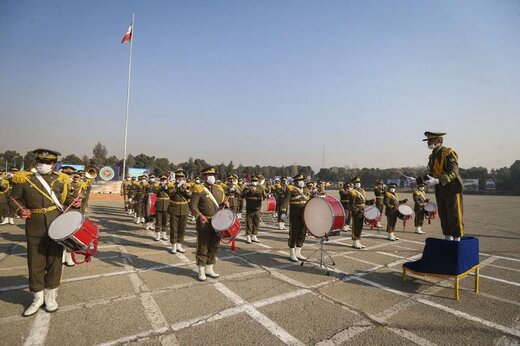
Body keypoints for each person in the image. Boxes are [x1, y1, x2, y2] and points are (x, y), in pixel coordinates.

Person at [10, 149, 78, 316]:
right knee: (35, 263)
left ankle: (50, 296)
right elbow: (13, 198)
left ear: (54, 164)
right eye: (41, 161)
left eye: (48, 163)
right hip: (35, 225)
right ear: (36, 161)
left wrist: (74, 202)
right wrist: (21, 211)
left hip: (57, 225)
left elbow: (66, 199)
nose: (44, 165)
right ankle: (37, 297)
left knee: (55, 261)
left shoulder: (61, 179)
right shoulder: (24, 179)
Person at [409, 132, 465, 241]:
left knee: (454, 215)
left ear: (439, 141)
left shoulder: (448, 153)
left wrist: (439, 180)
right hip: (441, 189)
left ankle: (457, 239)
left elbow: (454, 172)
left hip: (452, 189)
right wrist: (416, 180)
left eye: (431, 140)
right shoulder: (433, 156)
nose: (428, 143)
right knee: (444, 215)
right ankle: (447, 237)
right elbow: (430, 174)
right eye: (428, 141)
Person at [189, 166, 228, 281]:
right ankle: (201, 269)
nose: (211, 177)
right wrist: (199, 215)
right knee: (203, 245)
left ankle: (209, 268)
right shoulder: (198, 189)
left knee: (214, 244)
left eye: (213, 175)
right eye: (208, 175)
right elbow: (193, 205)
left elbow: (222, 203)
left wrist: (226, 203)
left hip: (217, 221)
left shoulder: (219, 188)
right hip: (204, 221)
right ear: (204, 177)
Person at [280, 174, 311, 262]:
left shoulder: (306, 190)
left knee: (302, 232)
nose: (303, 182)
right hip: (295, 215)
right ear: (297, 181)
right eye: (301, 181)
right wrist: (283, 212)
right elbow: (286, 201)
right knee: (294, 233)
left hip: (304, 214)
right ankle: (292, 252)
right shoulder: (290, 189)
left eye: (303, 181)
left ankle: (298, 252)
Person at [169, 169, 192, 253]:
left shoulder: (187, 185)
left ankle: (179, 244)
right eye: (178, 176)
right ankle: (174, 245)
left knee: (182, 228)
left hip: (184, 209)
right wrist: (177, 187)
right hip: (174, 208)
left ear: (184, 177)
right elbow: (170, 194)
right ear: (176, 177)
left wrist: (184, 188)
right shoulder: (172, 185)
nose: (180, 178)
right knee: (174, 227)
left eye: (181, 176)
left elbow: (189, 195)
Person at [348, 177, 375, 249]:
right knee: (356, 226)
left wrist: (370, 202)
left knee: (360, 226)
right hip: (356, 211)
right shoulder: (352, 192)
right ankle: (354, 242)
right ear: (353, 184)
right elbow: (351, 205)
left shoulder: (362, 191)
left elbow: (364, 201)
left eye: (359, 183)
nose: (358, 184)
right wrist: (357, 210)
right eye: (356, 183)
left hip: (362, 210)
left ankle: (358, 240)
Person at [241, 176, 267, 244]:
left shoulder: (261, 187)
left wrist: (256, 190)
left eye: (256, 181)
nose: (254, 182)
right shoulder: (247, 187)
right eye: (253, 181)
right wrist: (248, 190)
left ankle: (254, 235)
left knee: (256, 222)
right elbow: (242, 195)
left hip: (257, 207)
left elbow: (264, 196)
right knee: (249, 222)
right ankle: (248, 236)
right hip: (249, 207)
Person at [154, 175, 171, 241]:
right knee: (158, 221)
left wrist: (166, 188)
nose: (164, 181)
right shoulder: (157, 186)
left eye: (165, 180)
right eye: (162, 180)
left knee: (165, 221)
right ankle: (158, 235)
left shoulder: (169, 187)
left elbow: (171, 194)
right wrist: (161, 186)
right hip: (159, 206)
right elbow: (155, 192)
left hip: (167, 206)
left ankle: (164, 234)